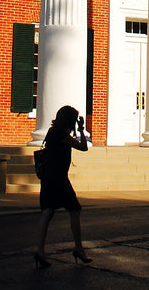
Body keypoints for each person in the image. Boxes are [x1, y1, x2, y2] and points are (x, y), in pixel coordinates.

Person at [35, 105, 91, 268]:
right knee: (74, 210)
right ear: (69, 120)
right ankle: (79, 248)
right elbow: (83, 147)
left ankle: (40, 251)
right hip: (59, 179)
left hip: (47, 178)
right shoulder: (62, 135)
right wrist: (81, 130)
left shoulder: (52, 132)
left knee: (47, 212)